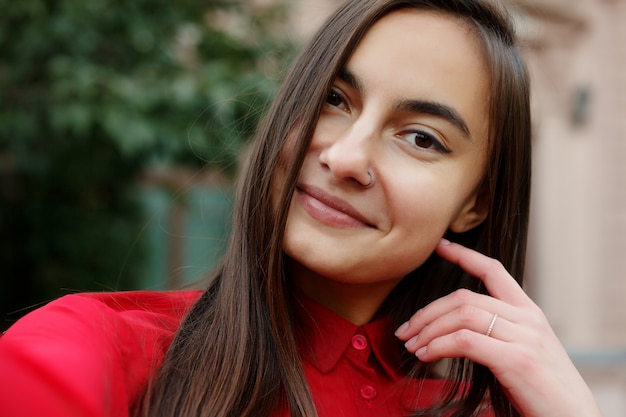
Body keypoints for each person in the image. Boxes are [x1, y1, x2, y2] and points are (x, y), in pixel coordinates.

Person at [0, 0, 603, 416]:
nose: (344, 156)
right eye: (333, 98)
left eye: (421, 137)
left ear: (475, 203)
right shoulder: (97, 351)